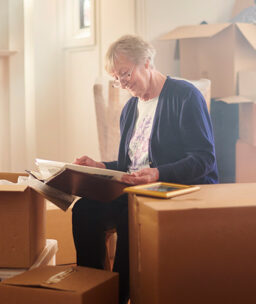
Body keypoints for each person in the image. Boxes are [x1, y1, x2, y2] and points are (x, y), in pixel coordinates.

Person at [72, 34, 218, 303]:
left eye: (125, 74)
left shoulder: (185, 96)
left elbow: (204, 158)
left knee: (131, 212)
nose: (122, 83)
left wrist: (158, 173)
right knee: (84, 209)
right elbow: (130, 166)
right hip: (138, 189)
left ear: (147, 63)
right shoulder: (130, 108)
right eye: (116, 78)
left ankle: (118, 295)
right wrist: (100, 166)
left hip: (174, 189)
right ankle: (92, 291)